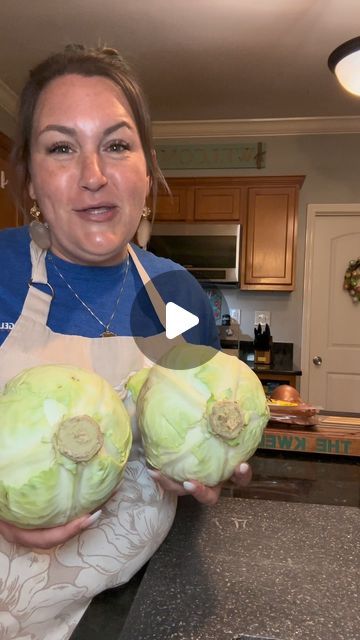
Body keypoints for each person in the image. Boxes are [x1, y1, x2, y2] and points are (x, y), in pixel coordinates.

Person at [0, 44, 251, 640]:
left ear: (147, 168)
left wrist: (201, 465)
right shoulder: (1, 272)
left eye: (116, 144)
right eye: (62, 147)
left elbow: (195, 415)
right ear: (30, 176)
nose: (94, 175)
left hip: (117, 615)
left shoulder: (176, 298)